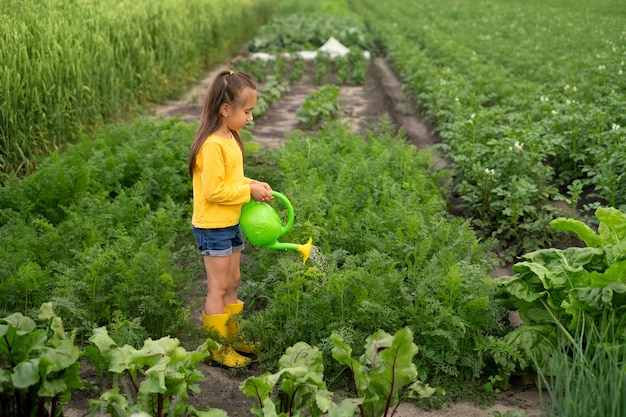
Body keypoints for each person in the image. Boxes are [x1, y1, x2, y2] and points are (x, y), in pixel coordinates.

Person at [188, 70, 273, 368]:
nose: (250, 118)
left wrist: (253, 184)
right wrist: (247, 190)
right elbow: (214, 191)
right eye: (247, 111)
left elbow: (232, 180)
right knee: (218, 287)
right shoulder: (212, 145)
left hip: (230, 221)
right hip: (213, 226)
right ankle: (218, 347)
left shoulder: (230, 139)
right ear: (226, 110)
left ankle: (234, 337)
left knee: (233, 281)